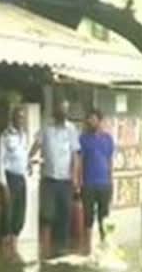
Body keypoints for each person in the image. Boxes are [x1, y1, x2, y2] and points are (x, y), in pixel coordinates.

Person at [30, 100, 81, 253]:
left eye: (65, 109)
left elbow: (75, 154)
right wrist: (27, 158)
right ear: (55, 111)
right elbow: (36, 145)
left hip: (65, 181)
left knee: (64, 214)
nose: (63, 112)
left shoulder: (72, 129)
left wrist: (75, 176)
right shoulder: (46, 128)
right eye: (60, 109)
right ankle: (45, 249)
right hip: (49, 180)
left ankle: (61, 249)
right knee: (47, 215)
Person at [78, 109, 115, 252]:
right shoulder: (83, 139)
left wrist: (111, 181)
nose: (90, 122)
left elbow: (110, 160)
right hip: (88, 183)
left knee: (104, 216)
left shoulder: (108, 139)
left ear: (100, 121)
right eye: (89, 119)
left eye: (93, 119)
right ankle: (87, 247)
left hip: (104, 183)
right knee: (88, 216)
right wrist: (79, 181)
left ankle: (104, 243)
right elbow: (80, 161)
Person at [0, 107, 29, 252]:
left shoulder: (24, 135)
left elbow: (24, 156)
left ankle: (14, 245)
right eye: (18, 117)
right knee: (7, 212)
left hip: (21, 177)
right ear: (13, 119)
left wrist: (29, 165)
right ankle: (4, 245)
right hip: (9, 178)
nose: (21, 120)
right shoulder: (5, 136)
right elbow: (0, 162)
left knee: (20, 213)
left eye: (23, 118)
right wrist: (4, 185)